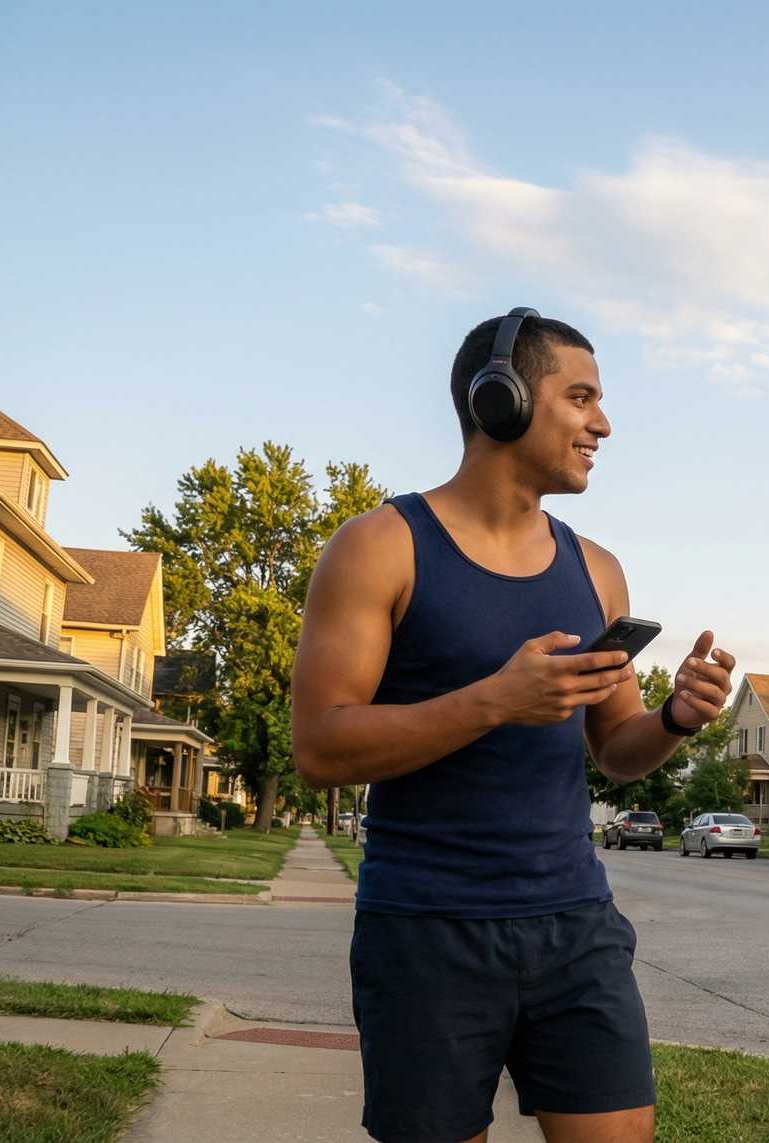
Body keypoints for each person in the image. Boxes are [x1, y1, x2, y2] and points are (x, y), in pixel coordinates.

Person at [291, 309, 733, 1142]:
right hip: (427, 928)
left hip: (576, 924)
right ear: (501, 399)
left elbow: (617, 748)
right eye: (581, 397)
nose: (603, 424)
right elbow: (319, 746)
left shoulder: (597, 569)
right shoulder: (380, 546)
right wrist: (496, 699)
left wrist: (676, 717)